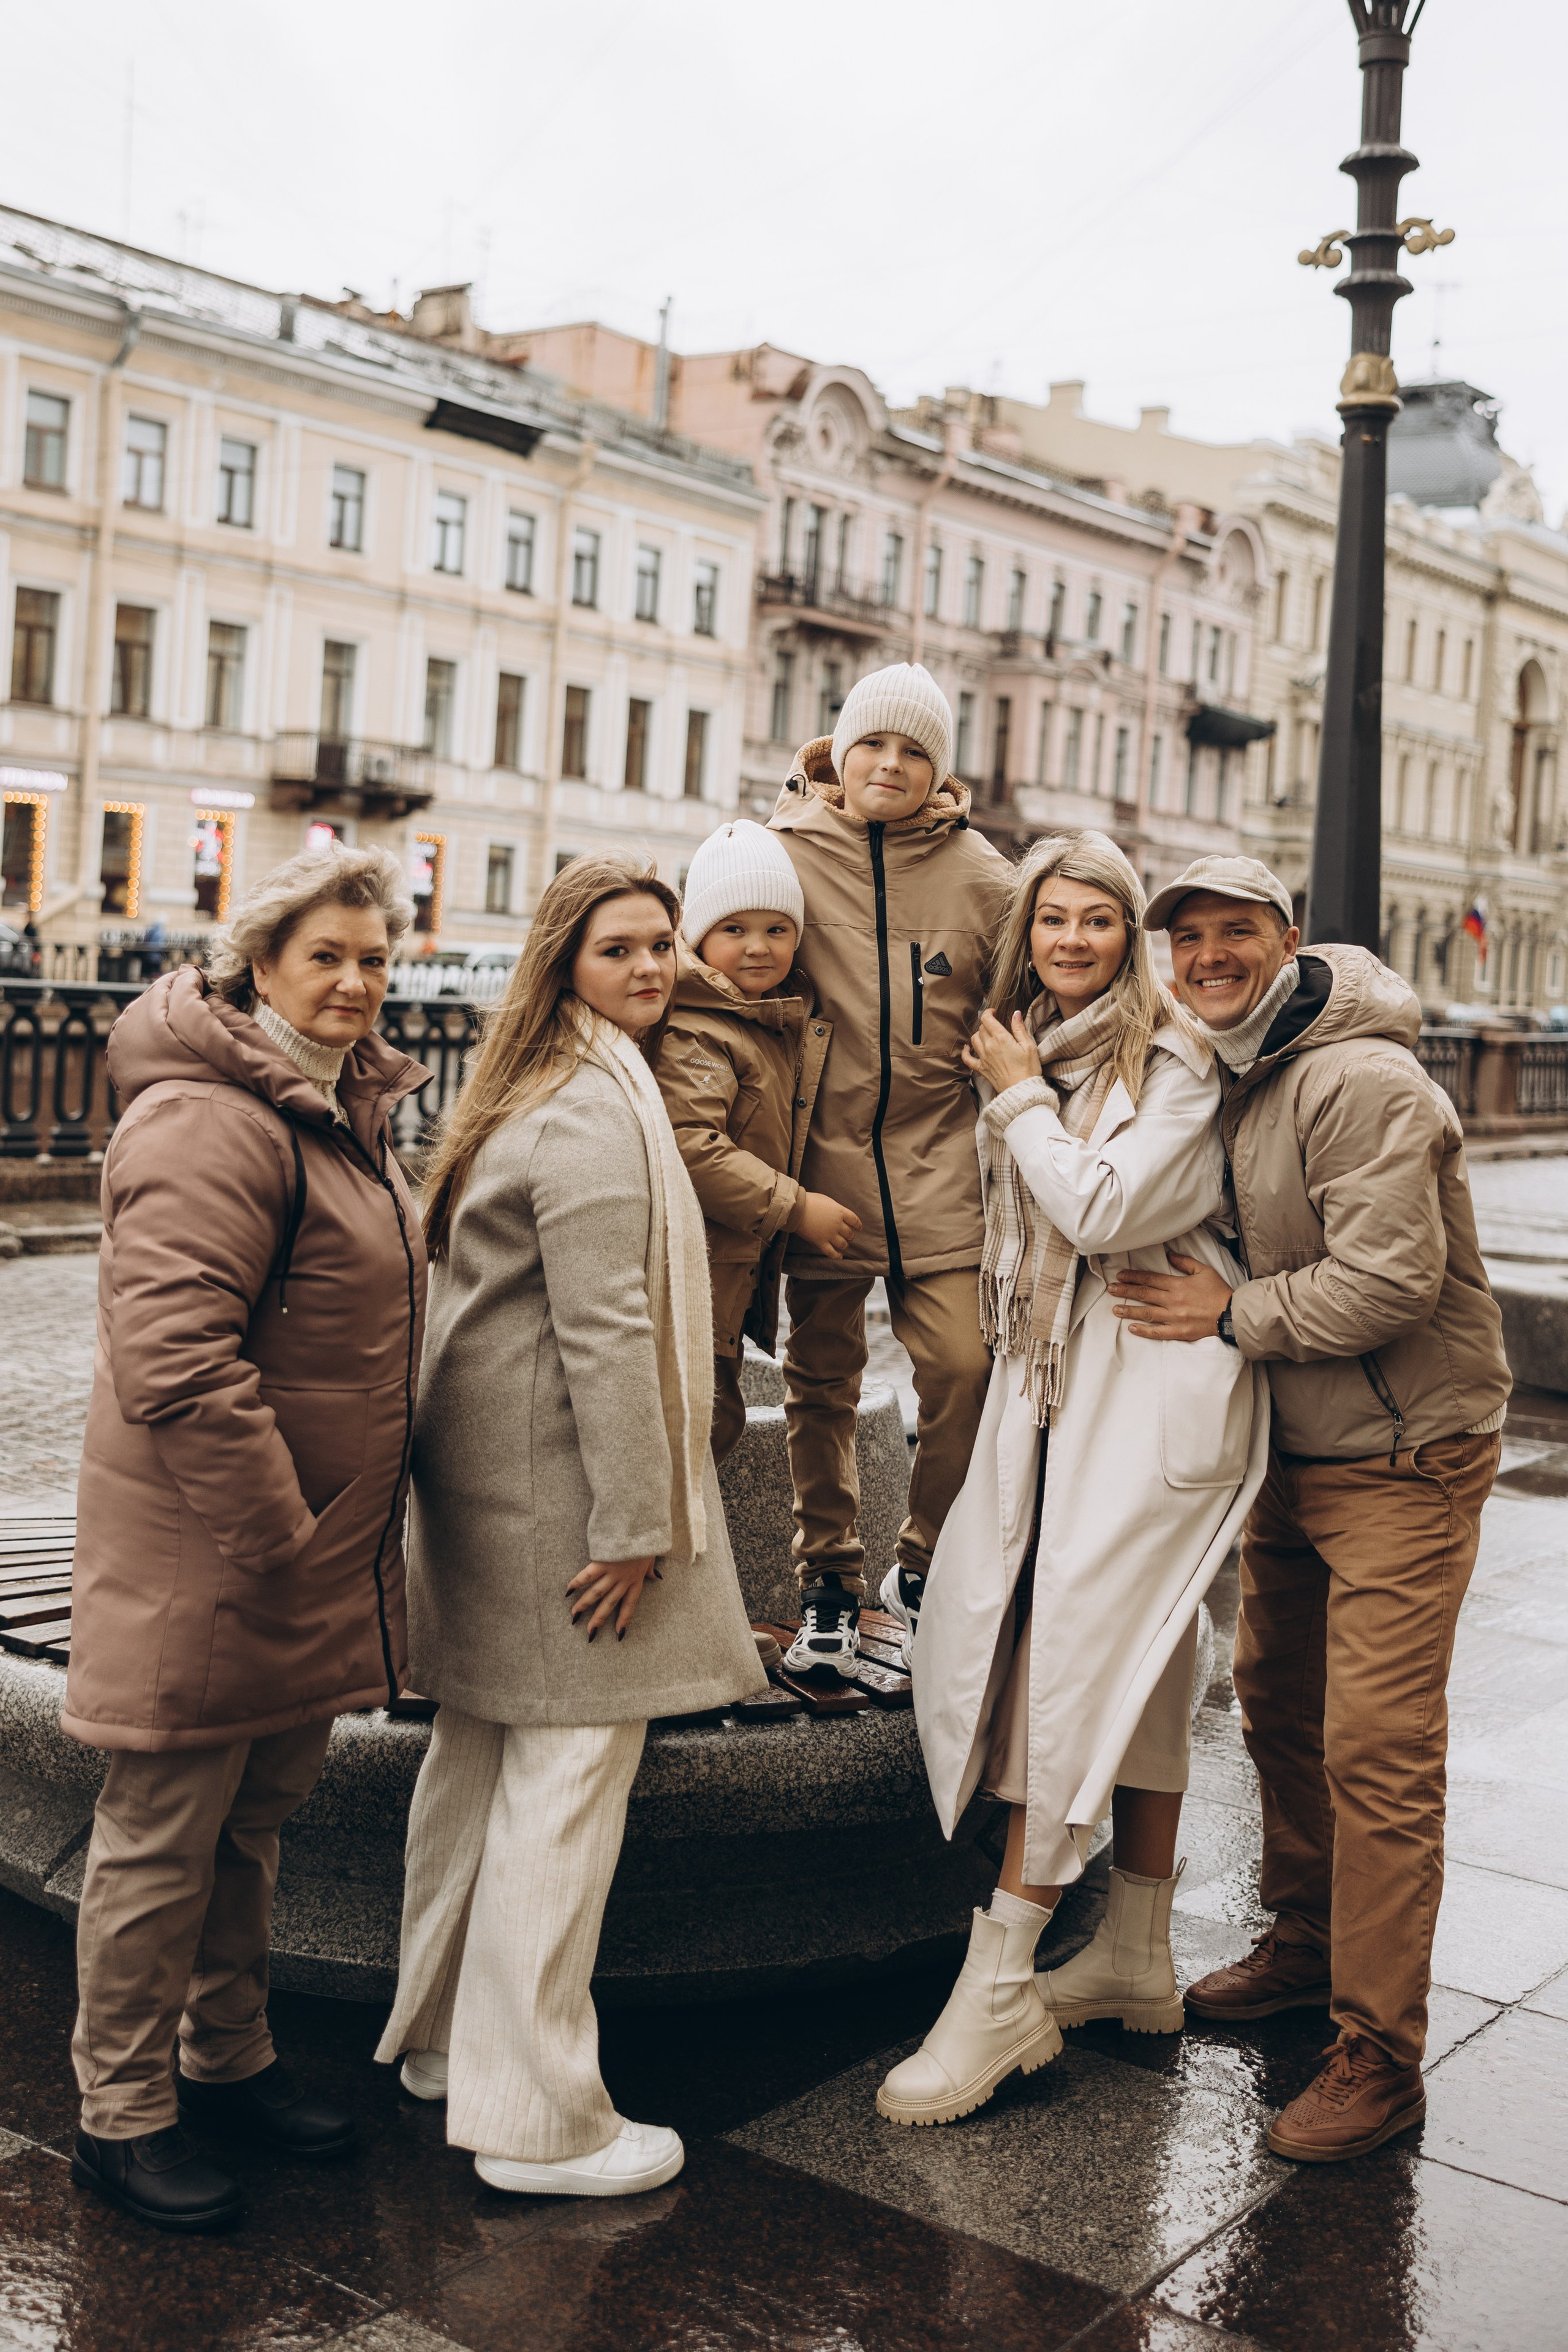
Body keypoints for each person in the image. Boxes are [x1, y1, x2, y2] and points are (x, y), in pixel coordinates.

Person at [377, 854, 765, 2198]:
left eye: (663, 943)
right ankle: (536, 2120)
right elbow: (607, 1336)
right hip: (561, 1505)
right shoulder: (597, 1111)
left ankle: (441, 2045)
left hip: (492, 1490)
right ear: (564, 964)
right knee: (566, 1793)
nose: (652, 967)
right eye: (620, 949)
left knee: (479, 1776)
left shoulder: (534, 1084)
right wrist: (636, 1525)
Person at [1114, 854, 1510, 2165]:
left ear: (1287, 941)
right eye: (1187, 939)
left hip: (1404, 1452)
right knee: (1275, 1699)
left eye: (1235, 933)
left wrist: (1225, 1316)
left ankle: (1378, 2054)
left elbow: (1387, 1283)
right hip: (1292, 1444)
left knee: (1376, 1751)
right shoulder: (1235, 1064)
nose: (1206, 957)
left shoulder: (1359, 1078)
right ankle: (1305, 1943)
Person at [877, 832, 1268, 2130]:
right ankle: (1133, 1955)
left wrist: (1017, 1102)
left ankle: (997, 1982)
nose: (1074, 938)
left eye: (1101, 920)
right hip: (1064, 1382)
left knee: (1068, 1662)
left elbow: (1101, 1209)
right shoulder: (1032, 1043)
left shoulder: (1165, 1058)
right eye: (1054, 916)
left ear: (1131, 942)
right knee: (1141, 1661)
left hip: (1149, 1394)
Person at [65, 843, 429, 2233]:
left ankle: (225, 2057)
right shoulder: (211, 1118)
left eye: (374, 957)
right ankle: (120, 2111)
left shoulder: (333, 1106)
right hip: (217, 1553)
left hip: (302, 1554)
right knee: (161, 1837)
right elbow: (172, 1358)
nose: (354, 981)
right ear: (256, 963)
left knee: (252, 1826)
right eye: (324, 955)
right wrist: (282, 1530)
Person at [769, 663, 1014, 1671]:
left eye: (915, 751)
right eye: (874, 743)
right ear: (840, 749)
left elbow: (1039, 1005)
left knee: (964, 1365)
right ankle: (826, 1581)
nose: (891, 764)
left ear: (939, 770)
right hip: (819, 1172)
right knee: (819, 1382)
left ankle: (919, 1567)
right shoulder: (778, 855)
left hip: (940, 1167)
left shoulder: (986, 878)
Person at [655, 821, 854, 1473]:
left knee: (714, 1419)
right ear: (699, 935)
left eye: (777, 930)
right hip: (696, 1275)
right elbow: (691, 1145)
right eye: (734, 930)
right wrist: (797, 1208)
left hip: (725, 1270)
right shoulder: (701, 1029)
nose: (759, 948)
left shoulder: (758, 1017)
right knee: (700, 1422)